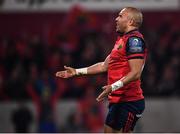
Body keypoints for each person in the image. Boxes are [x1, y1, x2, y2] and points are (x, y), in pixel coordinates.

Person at [56, 7, 147, 133]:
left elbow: (136, 73)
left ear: (130, 21)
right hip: (118, 100)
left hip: (129, 100)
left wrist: (113, 87)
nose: (116, 19)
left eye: (120, 16)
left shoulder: (134, 41)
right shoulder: (122, 40)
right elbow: (104, 66)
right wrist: (76, 72)